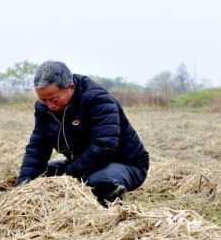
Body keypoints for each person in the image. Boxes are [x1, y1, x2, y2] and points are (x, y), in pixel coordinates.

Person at [16, 61, 149, 206]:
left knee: (97, 182)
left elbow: (104, 146)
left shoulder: (98, 100)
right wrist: (25, 183)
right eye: (43, 100)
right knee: (40, 177)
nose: (50, 105)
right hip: (82, 162)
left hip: (126, 164)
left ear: (70, 87)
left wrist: (68, 176)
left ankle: (113, 201)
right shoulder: (44, 108)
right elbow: (38, 147)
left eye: (54, 99)